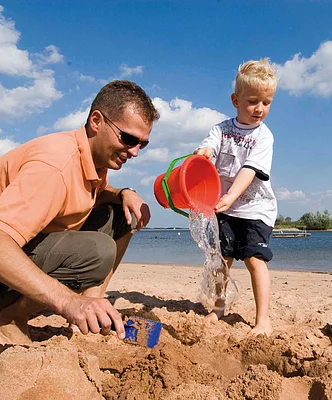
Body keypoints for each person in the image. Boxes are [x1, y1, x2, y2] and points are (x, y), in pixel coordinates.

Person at [0, 80, 160, 345]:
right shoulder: (54, 167)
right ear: (96, 121)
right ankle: (9, 317)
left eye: (142, 144)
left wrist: (124, 192)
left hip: (23, 252)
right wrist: (69, 302)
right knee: (98, 251)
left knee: (122, 215)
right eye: (129, 139)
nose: (134, 152)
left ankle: (92, 307)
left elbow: (97, 192)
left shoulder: (93, 158)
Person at [194, 58, 277, 336]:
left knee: (255, 260)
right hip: (224, 206)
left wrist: (231, 195)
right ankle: (218, 307)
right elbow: (209, 146)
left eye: (266, 102)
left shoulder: (264, 137)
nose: (260, 109)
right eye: (253, 101)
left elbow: (249, 170)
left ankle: (262, 318)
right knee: (222, 259)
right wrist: (204, 153)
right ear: (235, 100)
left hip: (255, 209)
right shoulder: (221, 129)